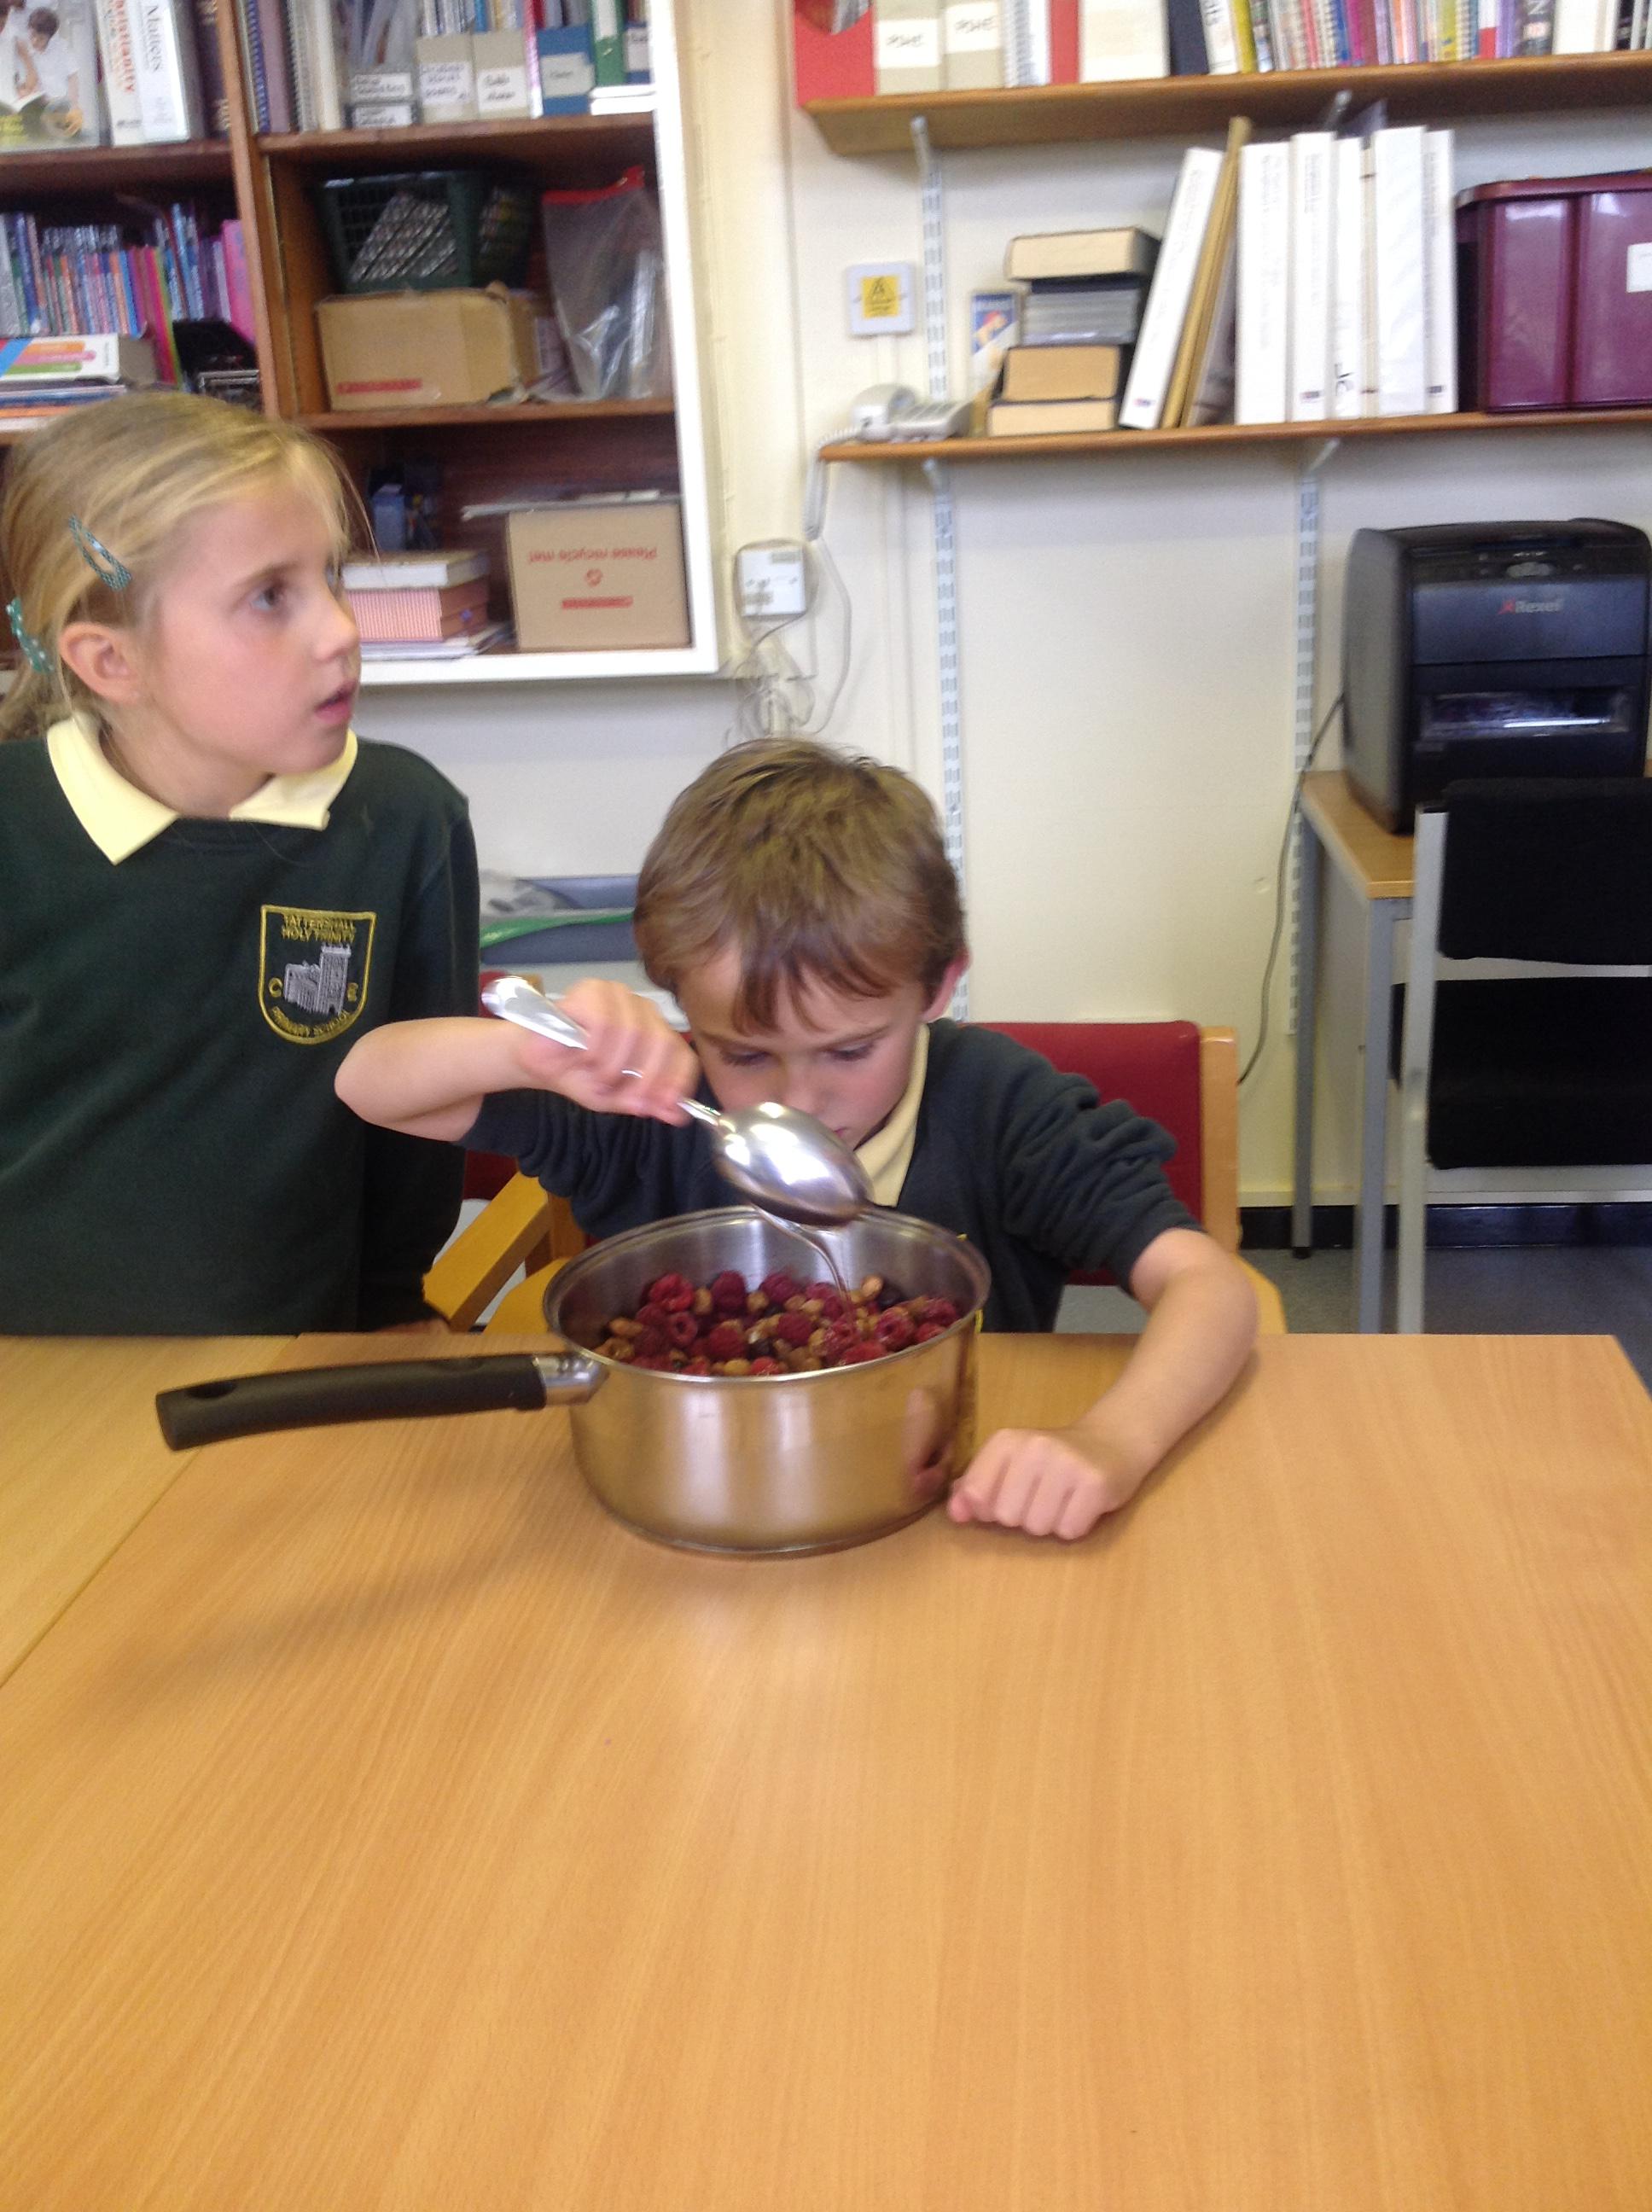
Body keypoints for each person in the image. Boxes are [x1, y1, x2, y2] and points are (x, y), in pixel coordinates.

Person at [335, 737, 1258, 1542]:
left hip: (951, 1505)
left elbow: (1210, 1288)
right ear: (681, 1005)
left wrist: (1110, 1442)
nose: (800, 1097)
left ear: (939, 988)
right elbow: (368, 1086)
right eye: (744, 1053)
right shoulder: (649, 1108)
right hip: (683, 1507)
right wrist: (531, 1054)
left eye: (849, 1051)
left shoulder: (1002, 1108)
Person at [0, 391, 490, 1335]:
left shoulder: (401, 820)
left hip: (291, 1373)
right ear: (110, 662)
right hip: (34, 1384)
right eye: (270, 596)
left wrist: (390, 1328)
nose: (341, 630)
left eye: (331, 577)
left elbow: (414, 1152)